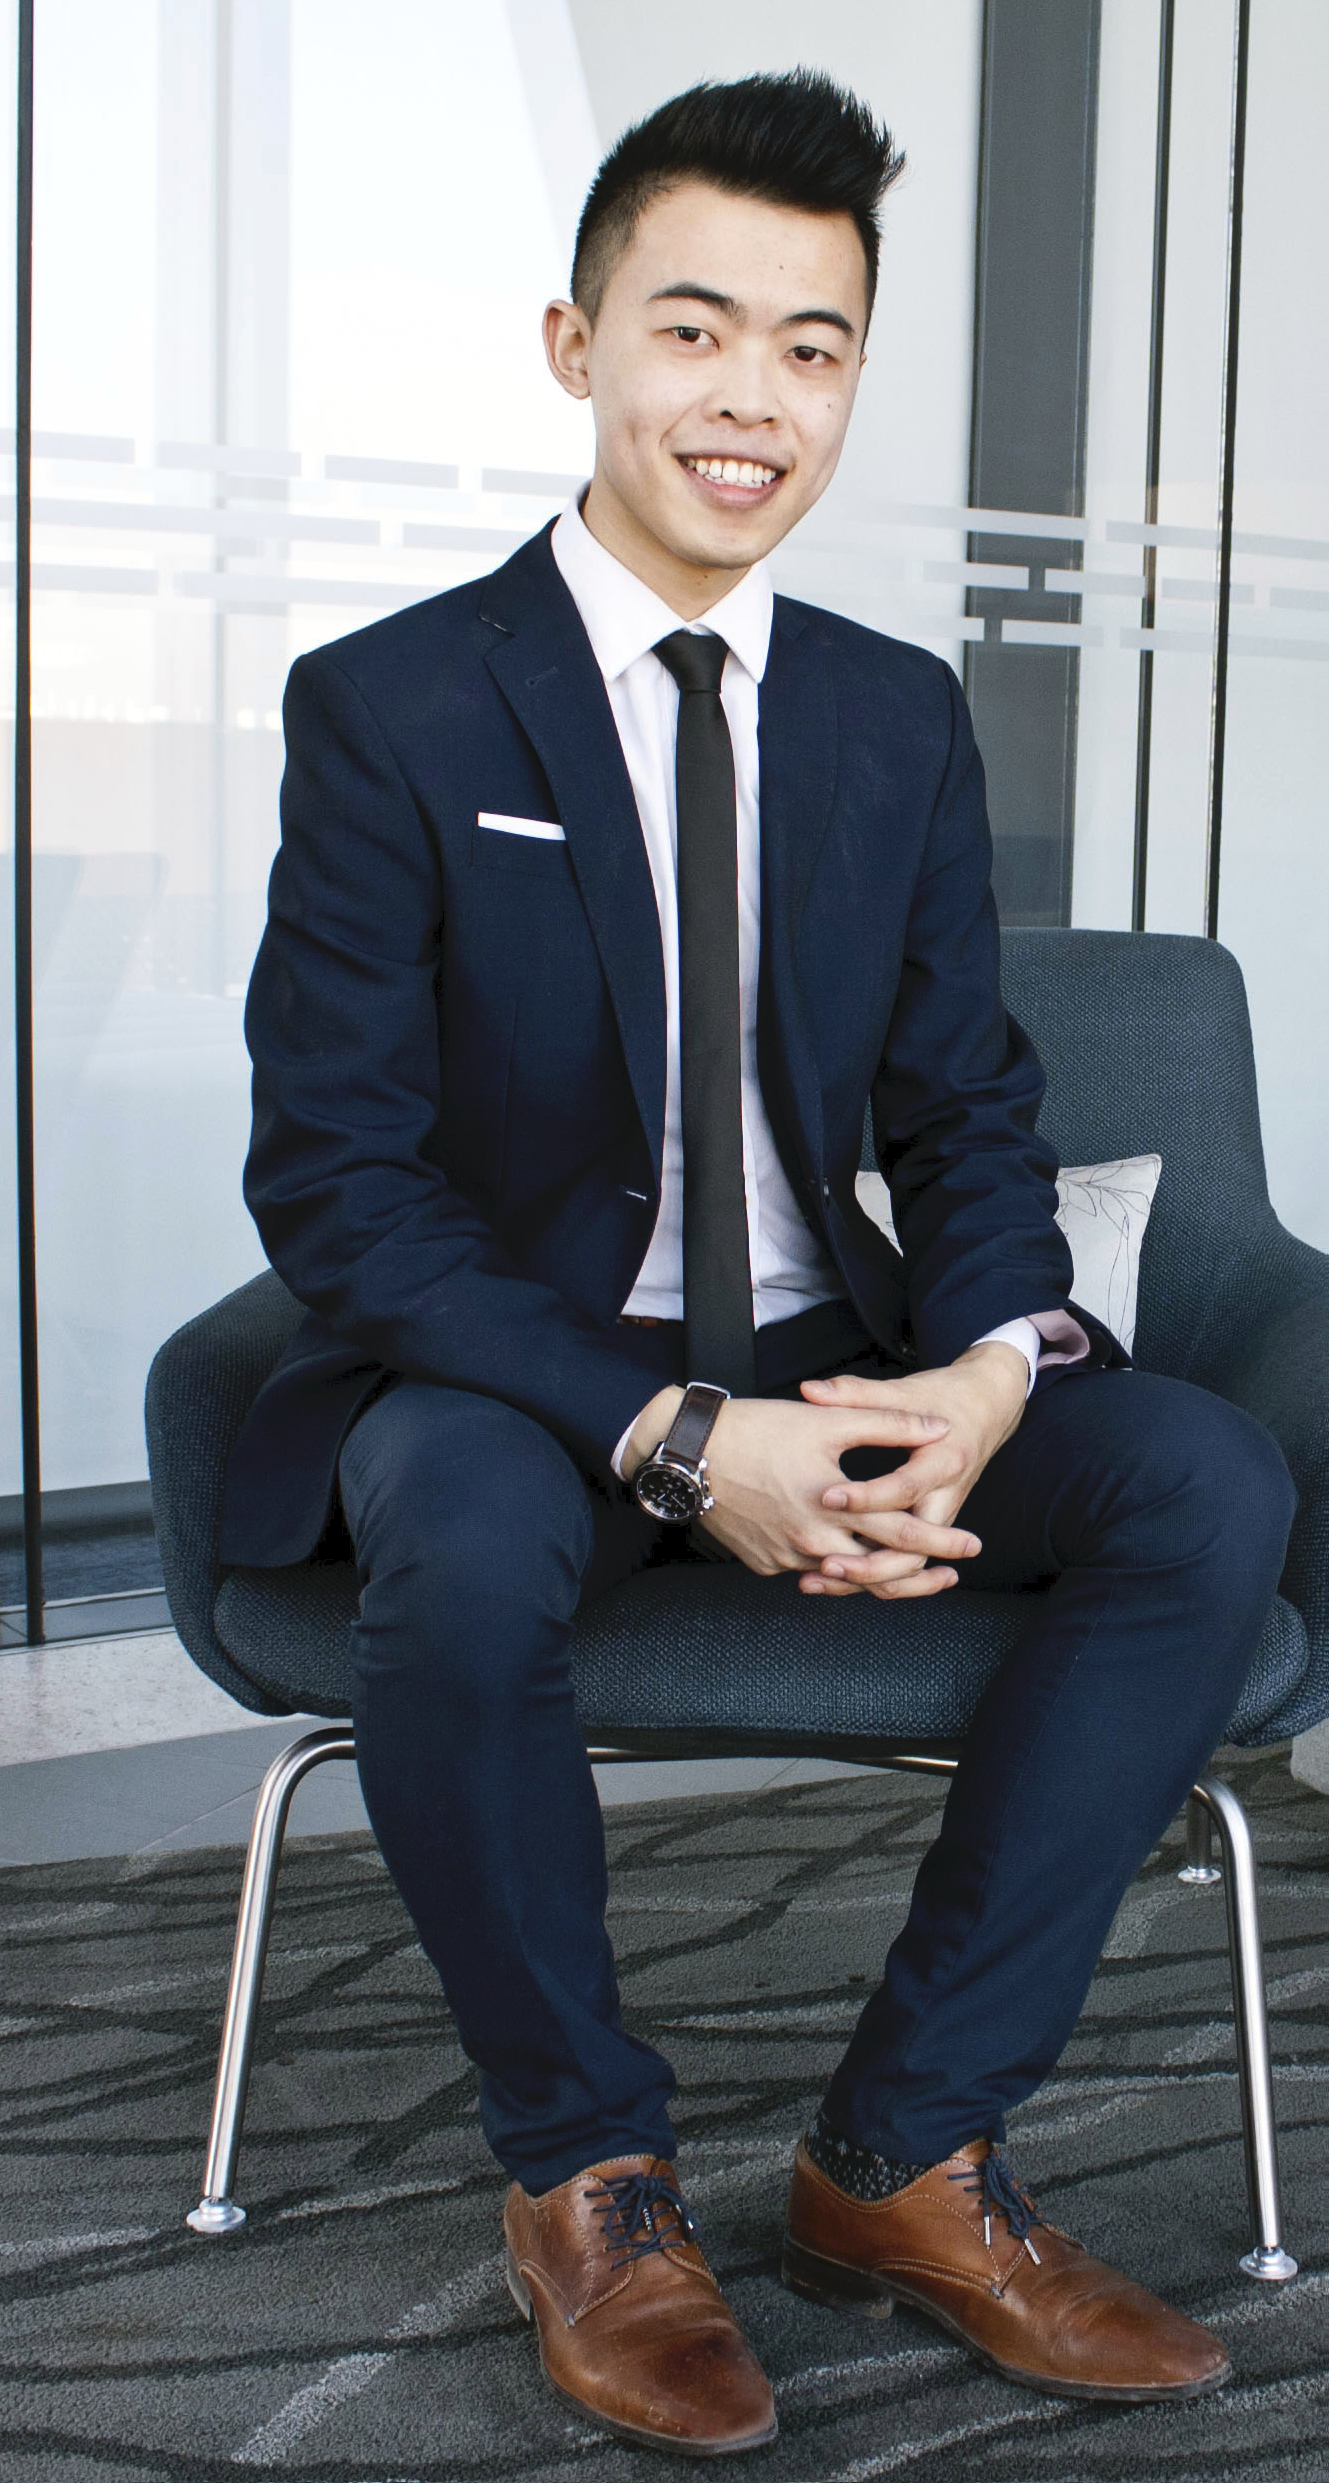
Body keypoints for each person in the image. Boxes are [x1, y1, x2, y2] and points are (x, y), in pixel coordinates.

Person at [219, 71, 1297, 2459]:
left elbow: (963, 1108)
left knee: (1201, 1480)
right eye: (693, 327)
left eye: (811, 347)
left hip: (831, 1342)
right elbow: (341, 1183)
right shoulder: (396, 705)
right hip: (519, 1368)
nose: (750, 396)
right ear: (575, 343)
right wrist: (680, 1434)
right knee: (460, 1528)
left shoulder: (892, 719)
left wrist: (986, 1373)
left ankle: (903, 2148)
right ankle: (587, 2176)